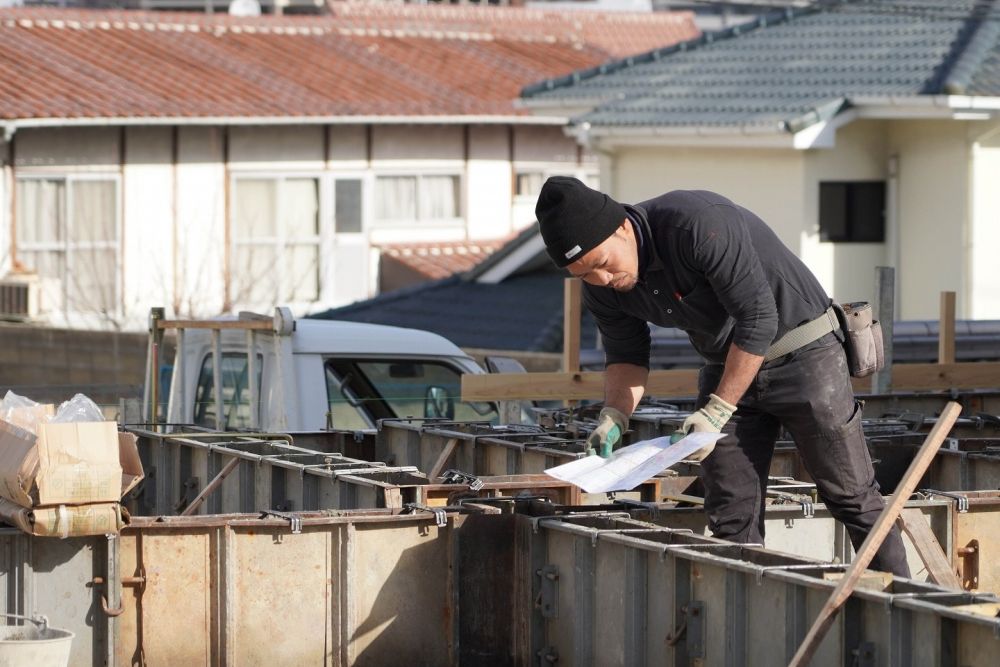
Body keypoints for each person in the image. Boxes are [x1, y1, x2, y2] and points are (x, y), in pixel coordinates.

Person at [534, 176, 909, 577]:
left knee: (851, 497)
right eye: (585, 275)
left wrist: (717, 410)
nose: (601, 281)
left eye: (603, 265)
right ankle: (747, 625)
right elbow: (626, 355)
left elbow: (759, 319)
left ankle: (903, 604)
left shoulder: (696, 226)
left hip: (805, 355)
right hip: (726, 366)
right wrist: (615, 415)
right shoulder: (603, 288)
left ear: (622, 228)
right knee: (731, 515)